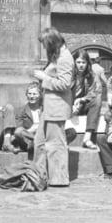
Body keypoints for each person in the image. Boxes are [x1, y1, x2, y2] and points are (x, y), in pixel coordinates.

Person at [33, 27, 74, 187]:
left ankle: (59, 179)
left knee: (56, 144)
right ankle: (40, 175)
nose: (44, 48)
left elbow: (65, 84)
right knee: (40, 142)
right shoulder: (58, 56)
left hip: (56, 108)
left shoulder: (65, 58)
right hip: (49, 108)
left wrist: (44, 78)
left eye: (45, 44)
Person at [72, 49, 100, 150]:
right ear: (74, 62)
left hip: (81, 105)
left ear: (87, 63)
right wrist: (70, 106)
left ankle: (87, 138)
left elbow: (92, 93)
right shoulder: (69, 75)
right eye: (78, 62)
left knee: (97, 100)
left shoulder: (91, 76)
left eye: (83, 62)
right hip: (68, 105)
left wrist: (82, 99)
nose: (81, 65)